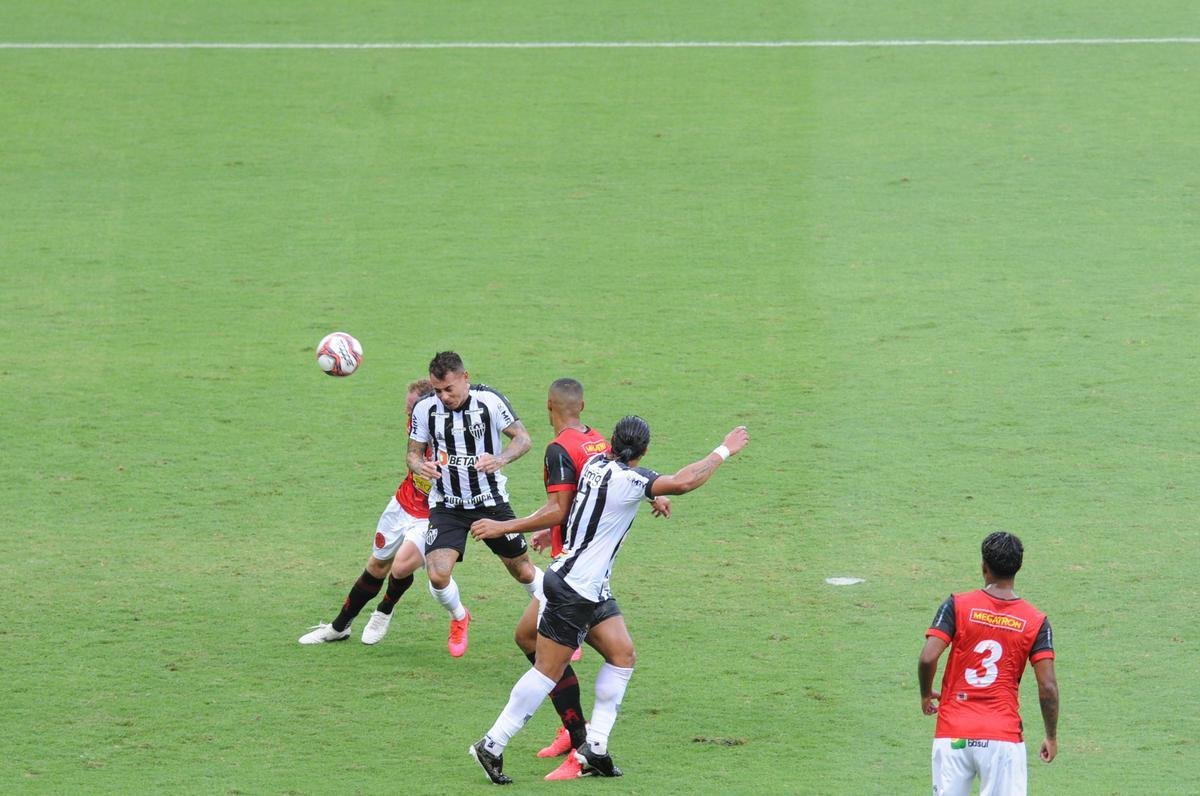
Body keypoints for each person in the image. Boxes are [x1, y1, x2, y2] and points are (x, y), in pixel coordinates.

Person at [469, 417, 750, 785]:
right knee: (547, 670)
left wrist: (653, 493)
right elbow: (684, 480)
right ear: (645, 450)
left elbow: (576, 502)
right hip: (574, 589)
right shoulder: (630, 481)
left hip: (591, 587)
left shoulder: (594, 466)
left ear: (611, 443)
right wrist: (724, 449)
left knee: (622, 655)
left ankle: (595, 747)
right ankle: (491, 744)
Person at [469, 379, 670, 781]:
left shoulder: (561, 450)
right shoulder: (594, 443)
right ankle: (558, 737)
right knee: (536, 646)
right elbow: (604, 488)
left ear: (549, 406)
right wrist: (654, 492)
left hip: (576, 575)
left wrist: (506, 526)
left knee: (605, 654)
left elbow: (565, 505)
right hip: (576, 574)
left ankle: (583, 741)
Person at [405, 351, 539, 657]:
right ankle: (459, 617)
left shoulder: (489, 401)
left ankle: (557, 617)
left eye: (449, 389)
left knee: (523, 571)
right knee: (437, 573)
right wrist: (419, 466)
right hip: (447, 504)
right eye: (438, 390)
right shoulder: (425, 409)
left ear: (465, 378)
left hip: (489, 501)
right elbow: (413, 452)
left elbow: (523, 438)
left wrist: (501, 458)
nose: (443, 396)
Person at [917, 531, 1060, 795]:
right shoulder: (1036, 621)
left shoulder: (956, 605)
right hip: (1001, 737)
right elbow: (1047, 686)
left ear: (984, 566)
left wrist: (926, 694)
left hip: (954, 735)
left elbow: (928, 657)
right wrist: (1051, 735)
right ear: (1019, 567)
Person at [299, 379, 437, 645]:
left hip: (435, 514)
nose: (407, 415)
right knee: (377, 564)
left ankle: (385, 610)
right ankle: (339, 627)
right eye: (407, 409)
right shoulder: (416, 424)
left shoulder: (454, 434)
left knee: (400, 565)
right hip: (403, 503)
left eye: (411, 409)